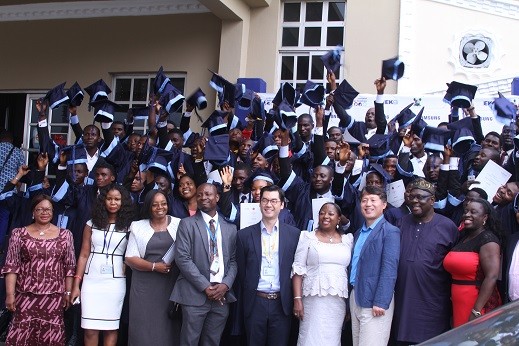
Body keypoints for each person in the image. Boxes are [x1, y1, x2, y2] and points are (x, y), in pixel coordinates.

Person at [2, 194, 76, 345]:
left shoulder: (65, 235)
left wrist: (68, 292)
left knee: (51, 337)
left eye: (48, 209)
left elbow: (69, 266)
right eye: (40, 209)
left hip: (53, 297)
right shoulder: (19, 234)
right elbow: (12, 266)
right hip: (25, 295)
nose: (44, 212)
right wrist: (10, 295)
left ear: (53, 212)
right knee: (22, 336)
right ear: (33, 212)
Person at [392, 178, 459, 344]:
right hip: (402, 300)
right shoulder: (401, 222)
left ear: (432, 200)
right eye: (412, 196)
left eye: (420, 197)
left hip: (432, 303)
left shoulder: (447, 226)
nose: (415, 201)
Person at [170, 183, 238, 346]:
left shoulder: (230, 228)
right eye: (199, 195)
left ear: (217, 197)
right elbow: (182, 259)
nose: (203, 197)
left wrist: (226, 285)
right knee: (189, 341)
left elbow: (234, 261)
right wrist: (205, 287)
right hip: (194, 295)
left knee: (212, 342)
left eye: (208, 194)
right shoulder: (187, 224)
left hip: (221, 297)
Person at [71, 185, 136, 346]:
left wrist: (126, 265)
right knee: (90, 328)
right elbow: (83, 254)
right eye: (109, 199)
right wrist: (76, 285)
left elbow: (133, 254)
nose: (113, 202)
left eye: (117, 199)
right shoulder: (91, 224)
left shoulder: (130, 226)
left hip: (115, 283)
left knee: (111, 328)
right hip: (91, 280)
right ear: (103, 201)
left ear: (123, 202)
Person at [236, 185, 300, 345]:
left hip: (282, 302)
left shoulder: (294, 234)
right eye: (264, 200)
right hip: (255, 301)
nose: (268, 205)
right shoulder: (244, 235)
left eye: (273, 201)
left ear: (282, 205)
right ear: (259, 203)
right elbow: (242, 273)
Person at [292, 202, 354, 346]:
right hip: (313, 300)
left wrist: (343, 221)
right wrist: (297, 299)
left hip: (337, 302)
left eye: (331, 214)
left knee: (332, 339)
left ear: (339, 219)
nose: (325, 216)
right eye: (322, 213)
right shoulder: (307, 237)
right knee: (310, 338)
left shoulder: (348, 240)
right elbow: (298, 270)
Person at [125, 190, 181, 346]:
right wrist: (154, 266)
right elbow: (130, 258)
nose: (160, 207)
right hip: (144, 286)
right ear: (149, 206)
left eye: (163, 203)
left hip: (171, 284)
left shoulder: (180, 223)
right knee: (143, 327)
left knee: (168, 327)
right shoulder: (137, 226)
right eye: (155, 204)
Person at [349, 186, 400, 346]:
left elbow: (389, 269)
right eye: (364, 200)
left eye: (373, 200)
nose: (368, 204)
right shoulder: (358, 233)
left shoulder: (390, 232)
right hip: (356, 296)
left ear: (384, 204)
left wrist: (381, 301)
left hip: (375, 301)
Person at [443, 198, 501, 327]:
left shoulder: (488, 239)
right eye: (466, 211)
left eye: (473, 212)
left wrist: (476, 310)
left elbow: (491, 276)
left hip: (476, 302)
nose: (467, 215)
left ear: (484, 217)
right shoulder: (464, 237)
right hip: (458, 300)